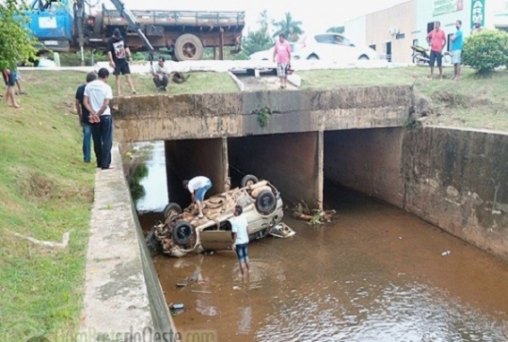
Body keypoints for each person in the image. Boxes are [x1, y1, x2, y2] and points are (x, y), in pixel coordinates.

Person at [84, 67, 114, 170]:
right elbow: (106, 104)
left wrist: (93, 113)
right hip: (105, 116)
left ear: (98, 75)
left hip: (93, 117)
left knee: (96, 140)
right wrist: (99, 113)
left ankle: (99, 162)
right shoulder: (107, 87)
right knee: (107, 140)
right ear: (106, 76)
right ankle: (106, 164)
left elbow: (85, 102)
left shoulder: (89, 86)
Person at [75, 72, 98, 163]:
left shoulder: (80, 89)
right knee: (98, 138)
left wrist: (80, 115)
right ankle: (100, 157)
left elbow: (77, 104)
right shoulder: (96, 89)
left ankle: (87, 158)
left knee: (86, 137)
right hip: (97, 116)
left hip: (85, 117)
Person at [108, 28, 136, 96]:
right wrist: (111, 61)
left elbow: (126, 47)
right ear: (113, 35)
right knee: (117, 77)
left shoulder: (122, 39)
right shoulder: (110, 41)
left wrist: (130, 56)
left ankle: (133, 90)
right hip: (116, 61)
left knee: (127, 75)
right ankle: (118, 92)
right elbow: (109, 52)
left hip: (123, 60)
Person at [230, 205, 250, 276]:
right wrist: (248, 237)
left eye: (233, 210)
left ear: (237, 212)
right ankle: (249, 271)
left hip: (239, 243)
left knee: (241, 259)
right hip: (245, 240)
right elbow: (247, 228)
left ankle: (243, 275)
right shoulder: (244, 217)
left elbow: (235, 234)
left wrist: (233, 243)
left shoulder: (234, 222)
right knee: (246, 256)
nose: (232, 211)